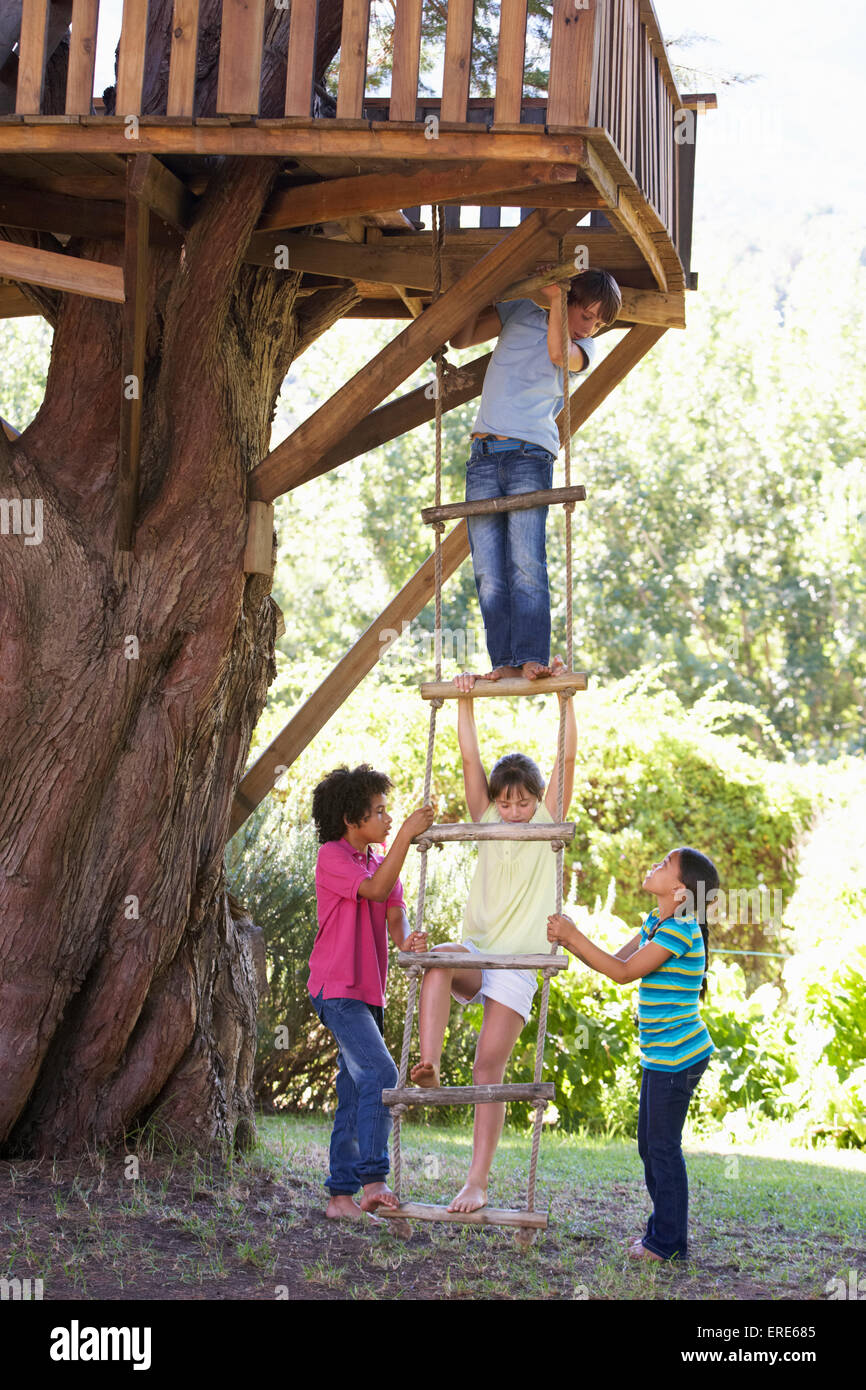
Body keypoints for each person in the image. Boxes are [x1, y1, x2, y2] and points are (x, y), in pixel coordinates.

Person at [409, 677, 577, 1212]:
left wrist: (565, 702)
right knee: (437, 959)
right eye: (506, 803)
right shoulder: (485, 818)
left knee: (488, 1070)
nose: (514, 811)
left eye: (523, 803)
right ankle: (428, 1064)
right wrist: (464, 699)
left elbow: (568, 760)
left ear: (536, 800)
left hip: (516, 964)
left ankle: (476, 1180)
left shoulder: (547, 822)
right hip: (478, 951)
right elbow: (468, 757)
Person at [547, 846, 719, 1262]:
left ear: (679, 891)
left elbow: (623, 974)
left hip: (679, 1057)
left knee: (662, 1147)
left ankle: (666, 1243)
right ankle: (663, 1234)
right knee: (650, 1146)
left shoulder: (680, 930)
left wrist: (572, 936)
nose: (654, 865)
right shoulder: (657, 922)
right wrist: (568, 943)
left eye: (664, 865)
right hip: (661, 1057)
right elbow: (617, 959)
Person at [449, 268, 621, 683]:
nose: (591, 326)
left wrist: (559, 299)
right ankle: (503, 660)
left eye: (598, 322)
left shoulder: (586, 349)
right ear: (574, 297)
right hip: (483, 453)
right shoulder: (520, 312)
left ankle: (530, 656)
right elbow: (460, 338)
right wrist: (474, 290)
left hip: (531, 455)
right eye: (589, 314)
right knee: (488, 568)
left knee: (525, 559)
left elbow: (559, 355)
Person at [308, 764, 434, 1221]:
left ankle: (340, 1197)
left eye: (388, 811)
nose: (386, 817)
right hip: (336, 990)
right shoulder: (333, 857)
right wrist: (405, 833)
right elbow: (376, 890)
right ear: (351, 819)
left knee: (353, 1088)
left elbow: (394, 919)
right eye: (378, 811)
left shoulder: (384, 864)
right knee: (381, 1071)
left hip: (368, 994)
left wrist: (408, 942)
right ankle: (374, 1179)